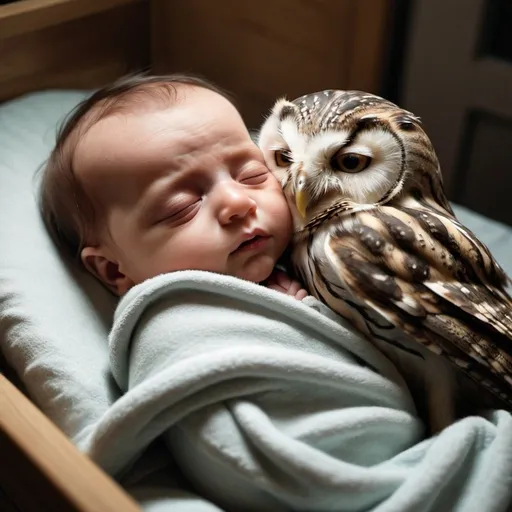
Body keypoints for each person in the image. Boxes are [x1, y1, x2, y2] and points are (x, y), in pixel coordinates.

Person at [40, 73, 307, 299]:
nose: (237, 201)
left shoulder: (313, 240)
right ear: (114, 270)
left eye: (252, 175)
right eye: (181, 207)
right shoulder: (171, 322)